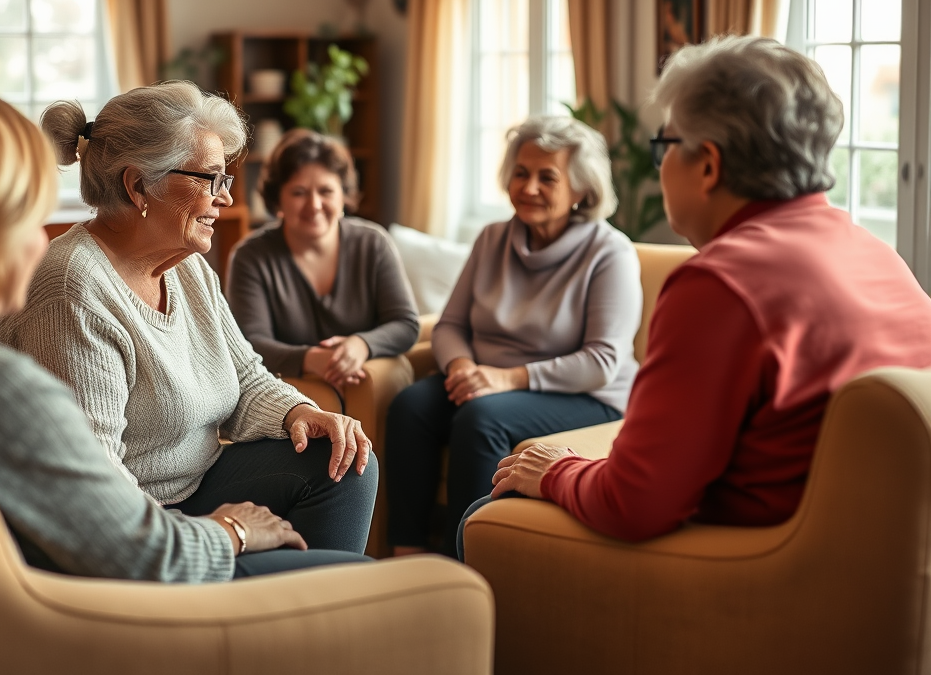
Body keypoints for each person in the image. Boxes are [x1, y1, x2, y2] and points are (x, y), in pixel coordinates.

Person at [477, 36, 931, 553]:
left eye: (664, 147)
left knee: (488, 514)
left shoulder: (719, 283)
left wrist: (558, 471)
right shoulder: (875, 252)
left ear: (708, 166)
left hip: (752, 567)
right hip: (865, 558)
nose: (660, 166)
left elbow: (634, 504)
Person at [0, 82, 372, 580]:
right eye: (210, 179)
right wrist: (232, 531)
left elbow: (245, 374)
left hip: (184, 496)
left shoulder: (186, 265)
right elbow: (116, 530)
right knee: (360, 582)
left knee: (341, 463)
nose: (225, 196)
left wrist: (301, 410)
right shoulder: (68, 293)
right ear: (137, 187)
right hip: (145, 539)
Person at [385, 115, 643, 559]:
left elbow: (602, 361)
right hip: (485, 380)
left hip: (584, 392)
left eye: (548, 177)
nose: (529, 188)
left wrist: (506, 379)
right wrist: (463, 367)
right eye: (521, 173)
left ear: (581, 189)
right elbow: (450, 326)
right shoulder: (493, 239)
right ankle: (406, 555)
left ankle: (467, 564)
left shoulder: (609, 251)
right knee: (411, 405)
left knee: (482, 418)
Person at [226, 128, 419, 392]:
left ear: (343, 196)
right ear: (277, 199)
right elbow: (249, 342)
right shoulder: (250, 256)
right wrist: (311, 360)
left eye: (326, 191)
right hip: (288, 391)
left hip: (365, 385)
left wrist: (361, 344)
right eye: (299, 192)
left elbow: (406, 323)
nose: (314, 204)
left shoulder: (373, 243)